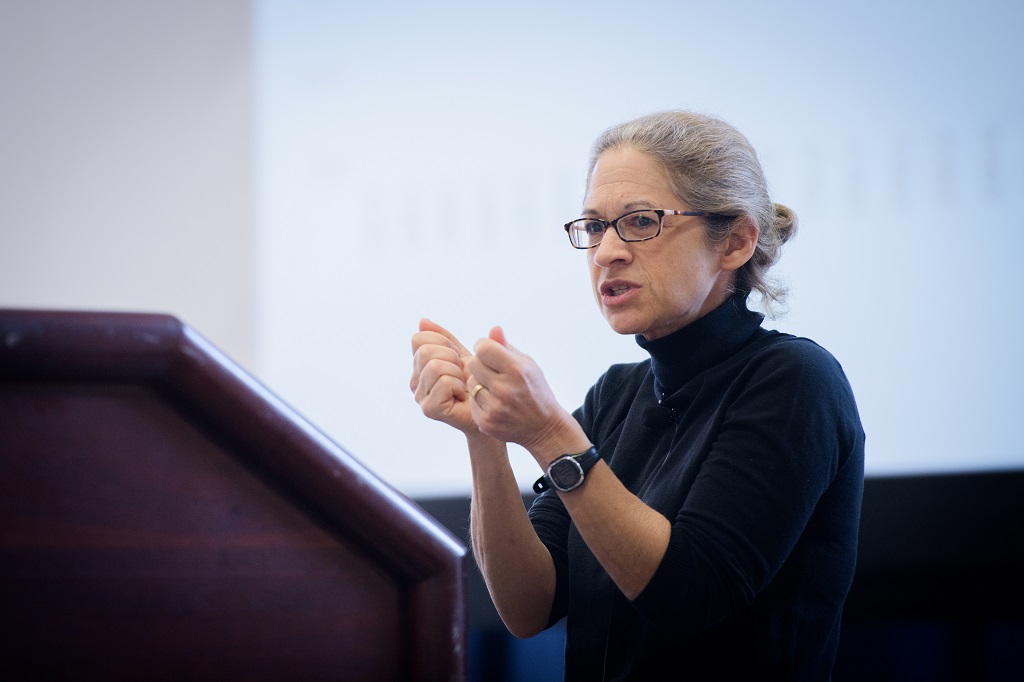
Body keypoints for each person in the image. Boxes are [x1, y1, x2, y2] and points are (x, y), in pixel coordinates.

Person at [410, 110, 864, 680]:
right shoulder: (615, 397)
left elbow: (690, 595)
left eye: (642, 222)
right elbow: (529, 608)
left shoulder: (797, 380)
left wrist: (551, 435)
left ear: (736, 242)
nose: (606, 253)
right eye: (595, 227)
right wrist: (484, 437)